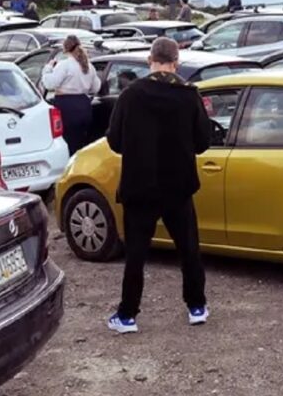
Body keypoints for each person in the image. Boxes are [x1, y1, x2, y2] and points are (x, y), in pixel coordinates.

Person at [107, 37, 212, 334]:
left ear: (150, 59)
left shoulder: (131, 95)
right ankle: (196, 306)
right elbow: (203, 143)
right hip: (178, 186)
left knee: (136, 255)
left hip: (139, 186)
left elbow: (114, 141)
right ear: (176, 61)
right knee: (188, 249)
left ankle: (128, 315)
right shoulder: (189, 96)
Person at [41, 35, 102, 155]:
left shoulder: (64, 65)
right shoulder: (89, 66)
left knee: (69, 143)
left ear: (65, 48)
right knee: (81, 142)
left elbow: (49, 84)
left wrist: (48, 69)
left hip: (67, 106)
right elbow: (96, 87)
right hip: (84, 106)